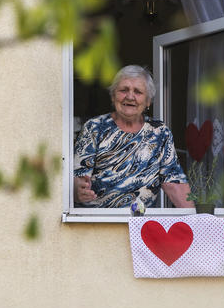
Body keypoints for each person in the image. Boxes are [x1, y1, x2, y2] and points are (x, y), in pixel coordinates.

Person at [74, 65, 193, 208]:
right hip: (99, 222)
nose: (130, 96)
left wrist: (197, 222)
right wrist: (77, 192)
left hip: (141, 223)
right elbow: (77, 178)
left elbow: (174, 183)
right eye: (123, 90)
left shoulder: (159, 132)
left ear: (148, 101)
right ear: (113, 96)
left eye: (138, 92)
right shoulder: (95, 127)